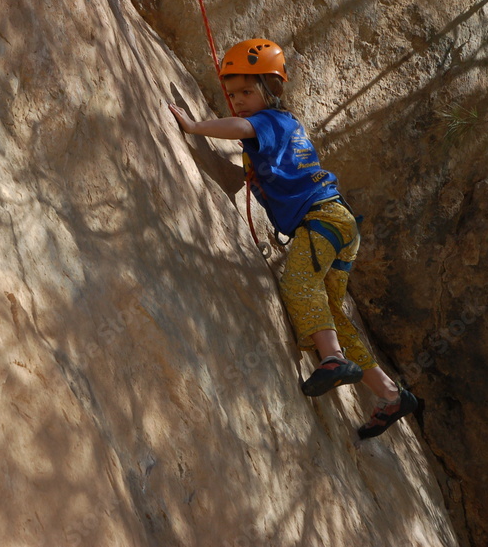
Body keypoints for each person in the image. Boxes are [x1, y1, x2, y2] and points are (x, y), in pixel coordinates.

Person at [168, 38, 417, 439]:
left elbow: (241, 128)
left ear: (272, 90)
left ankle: (333, 358)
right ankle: (389, 393)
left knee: (299, 283)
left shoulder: (271, 121)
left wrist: (195, 126)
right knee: (331, 311)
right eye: (232, 95)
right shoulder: (284, 128)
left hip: (321, 221)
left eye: (247, 92)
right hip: (337, 224)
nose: (239, 101)